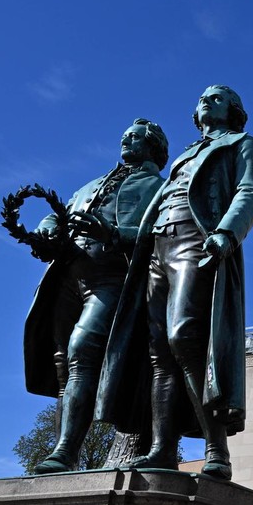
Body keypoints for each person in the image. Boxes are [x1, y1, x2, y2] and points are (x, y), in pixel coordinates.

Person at [98, 86, 253, 481]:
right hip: (158, 248)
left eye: (218, 97)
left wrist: (227, 232)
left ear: (235, 111)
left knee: (183, 337)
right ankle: (161, 448)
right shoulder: (185, 156)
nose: (207, 101)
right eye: (203, 98)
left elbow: (249, 192)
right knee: (159, 352)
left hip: (197, 241)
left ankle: (216, 449)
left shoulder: (246, 144)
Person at [26, 119, 168, 474]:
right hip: (67, 277)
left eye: (134, 137)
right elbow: (59, 214)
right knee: (64, 365)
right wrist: (46, 231)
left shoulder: (158, 187)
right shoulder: (92, 184)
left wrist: (117, 232)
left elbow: (163, 235)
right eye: (124, 136)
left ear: (152, 146)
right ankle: (64, 452)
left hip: (111, 279)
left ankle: (64, 450)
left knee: (82, 351)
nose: (126, 140)